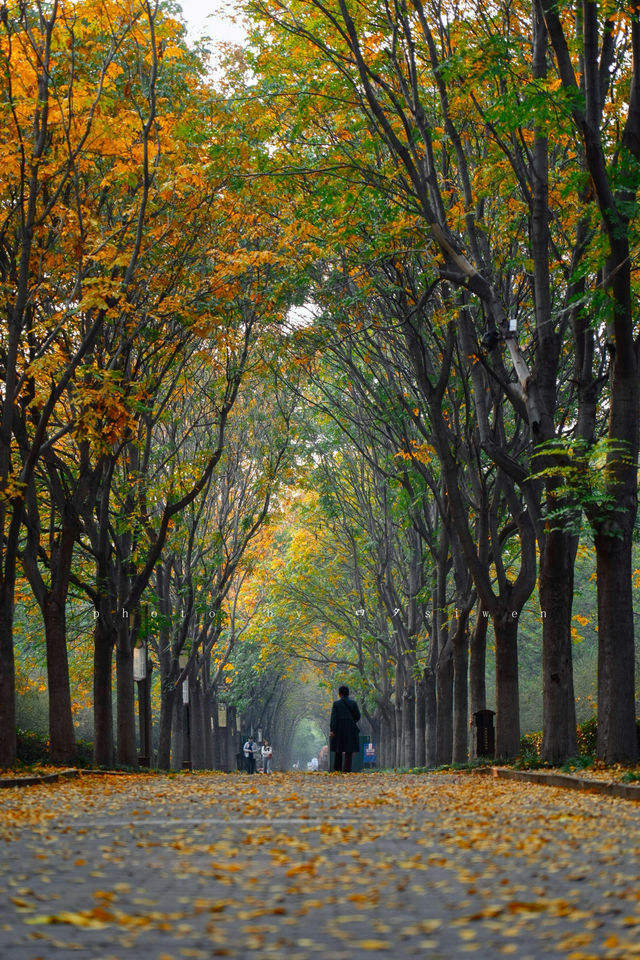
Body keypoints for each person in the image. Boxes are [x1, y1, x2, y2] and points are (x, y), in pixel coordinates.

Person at [329, 685, 361, 772]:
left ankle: (337, 770)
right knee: (349, 749)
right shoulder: (353, 703)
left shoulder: (336, 704)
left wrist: (332, 730)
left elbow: (333, 718)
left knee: (338, 749)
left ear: (339, 694)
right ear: (348, 693)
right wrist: (350, 721)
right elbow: (358, 716)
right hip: (350, 728)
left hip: (338, 729)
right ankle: (347, 770)